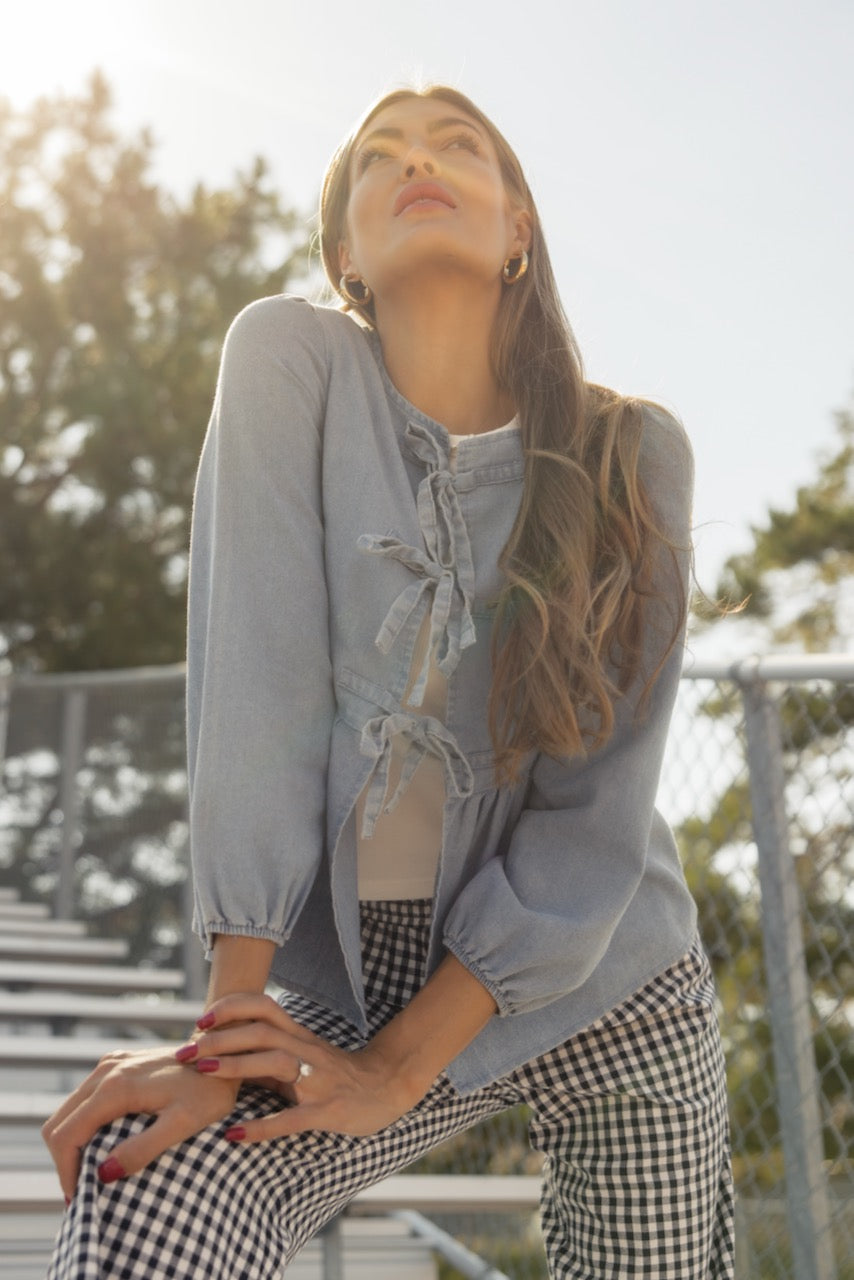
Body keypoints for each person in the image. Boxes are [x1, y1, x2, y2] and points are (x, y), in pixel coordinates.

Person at [44, 85, 734, 1279]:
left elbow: (591, 820)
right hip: (360, 971)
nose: (419, 158)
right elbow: (251, 699)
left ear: (516, 224)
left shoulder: (632, 455)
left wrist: (403, 1069)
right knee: (147, 1195)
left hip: (610, 983)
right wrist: (223, 1048)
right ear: (342, 254)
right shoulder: (288, 362)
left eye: (456, 143)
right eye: (381, 156)